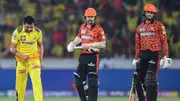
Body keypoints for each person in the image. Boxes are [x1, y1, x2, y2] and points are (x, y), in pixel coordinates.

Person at [129, 4, 172, 101]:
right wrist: (136, 57)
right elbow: (137, 44)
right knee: (138, 81)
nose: (150, 14)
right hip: (142, 55)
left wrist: (166, 56)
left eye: (152, 13)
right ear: (144, 13)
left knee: (150, 80)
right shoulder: (139, 28)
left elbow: (164, 41)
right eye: (148, 12)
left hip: (154, 54)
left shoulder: (159, 26)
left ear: (154, 14)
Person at [67, 8, 106, 101]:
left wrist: (90, 45)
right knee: (78, 79)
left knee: (92, 80)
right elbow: (79, 38)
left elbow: (103, 44)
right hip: (83, 56)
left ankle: (92, 98)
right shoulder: (82, 27)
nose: (90, 19)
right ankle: (84, 97)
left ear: (95, 18)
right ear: (85, 17)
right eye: (88, 17)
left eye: (92, 17)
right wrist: (72, 43)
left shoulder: (99, 29)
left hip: (93, 56)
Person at [10, 16, 44, 101]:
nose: (29, 29)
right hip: (21, 62)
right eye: (27, 27)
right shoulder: (17, 32)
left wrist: (41, 61)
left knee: (37, 83)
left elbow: (40, 45)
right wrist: (22, 56)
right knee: (20, 86)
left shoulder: (37, 32)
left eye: (31, 27)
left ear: (34, 25)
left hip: (34, 60)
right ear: (23, 24)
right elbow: (12, 48)